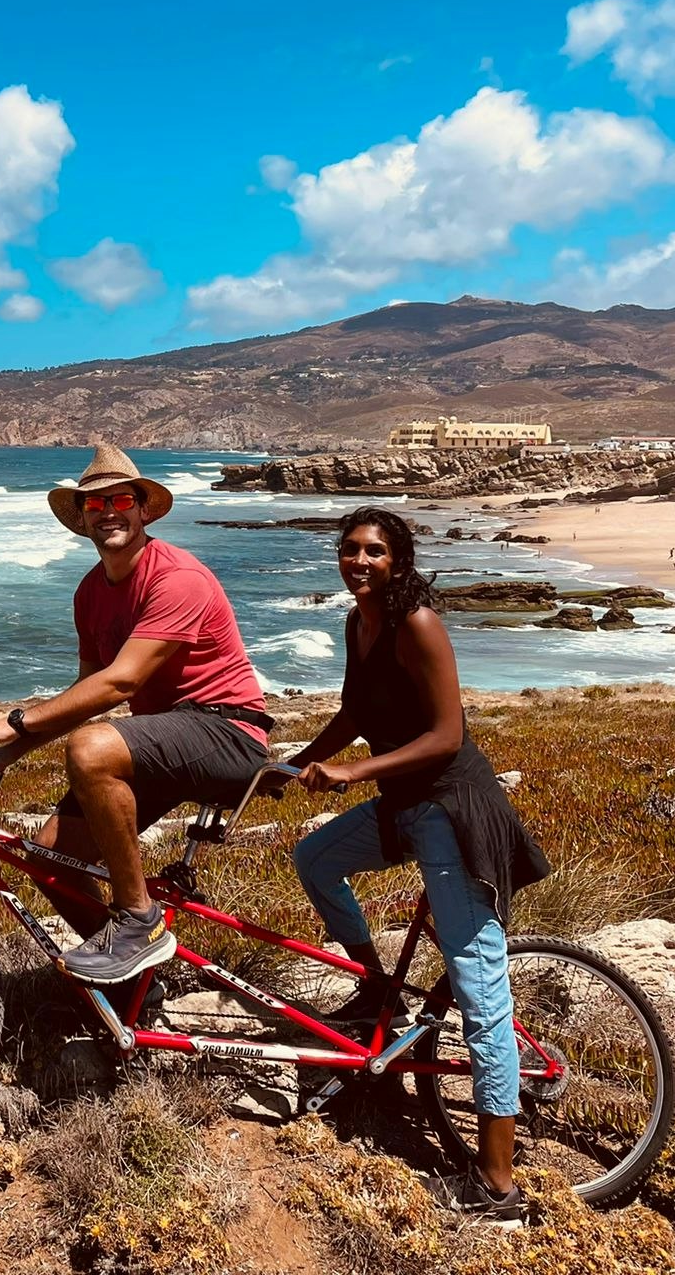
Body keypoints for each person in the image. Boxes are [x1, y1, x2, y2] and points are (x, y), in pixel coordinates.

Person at [286, 506, 550, 1225]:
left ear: (398, 562)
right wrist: (302, 760)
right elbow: (352, 710)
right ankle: (378, 989)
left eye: (374, 552)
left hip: (452, 810)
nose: (359, 561)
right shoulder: (357, 621)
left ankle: (498, 1184)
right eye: (349, 550)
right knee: (315, 858)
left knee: (477, 985)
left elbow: (446, 735)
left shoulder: (418, 623)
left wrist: (354, 773)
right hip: (404, 805)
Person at [0, 443, 271, 986]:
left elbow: (121, 682)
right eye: (94, 504)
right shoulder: (89, 592)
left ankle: (140, 920)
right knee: (51, 858)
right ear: (81, 519)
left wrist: (13, 720)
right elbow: (86, 687)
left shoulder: (178, 577)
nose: (109, 512)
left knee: (92, 747)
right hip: (165, 739)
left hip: (227, 729)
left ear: (143, 509)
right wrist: (8, 753)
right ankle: (133, 986)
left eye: (121, 499)